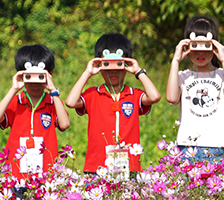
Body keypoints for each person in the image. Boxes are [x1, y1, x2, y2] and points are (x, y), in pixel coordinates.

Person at [66, 33, 162, 177]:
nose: (113, 70)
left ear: (126, 64)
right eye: (107, 64)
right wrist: (88, 72)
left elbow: (155, 96)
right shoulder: (93, 94)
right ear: (100, 64)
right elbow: (71, 102)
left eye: (118, 64)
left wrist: (138, 71)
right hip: (97, 168)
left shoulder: (134, 95)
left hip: (128, 166)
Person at [165, 15, 224, 163]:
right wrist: (175, 60)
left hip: (219, 145)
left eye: (206, 46)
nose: (200, 52)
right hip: (188, 145)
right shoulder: (183, 76)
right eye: (195, 46)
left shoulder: (223, 74)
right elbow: (172, 98)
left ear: (215, 46)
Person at [0, 44, 70, 180]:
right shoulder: (17, 101)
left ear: (49, 74)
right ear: (21, 75)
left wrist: (53, 90)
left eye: (40, 76)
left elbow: (64, 124)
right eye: (29, 76)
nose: (34, 83)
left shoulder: (52, 102)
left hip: (46, 171)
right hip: (17, 173)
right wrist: (14, 89)